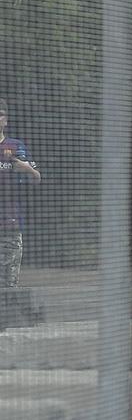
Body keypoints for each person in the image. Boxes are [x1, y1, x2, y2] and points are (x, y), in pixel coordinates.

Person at [0, 100, 41, 287]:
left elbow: (37, 178)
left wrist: (27, 169)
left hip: (10, 223)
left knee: (9, 283)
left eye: (1, 114)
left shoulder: (16, 146)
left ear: (5, 120)